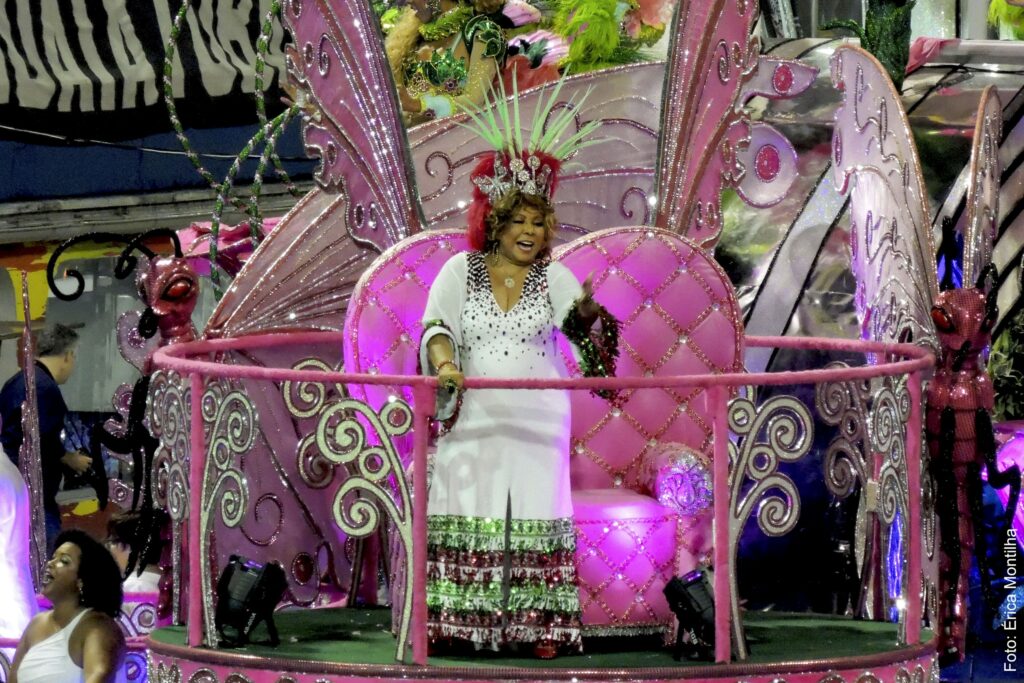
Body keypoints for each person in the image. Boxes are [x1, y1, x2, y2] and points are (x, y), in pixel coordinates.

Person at [418, 78, 617, 657]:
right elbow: (435, 328)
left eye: (538, 222)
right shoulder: (459, 271)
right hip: (474, 415)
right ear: (495, 221)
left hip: (538, 418)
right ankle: (463, 625)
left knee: (534, 511)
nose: (529, 233)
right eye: (518, 221)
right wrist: (447, 367)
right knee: (472, 506)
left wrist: (587, 316)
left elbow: (583, 340)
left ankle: (540, 628)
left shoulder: (555, 276)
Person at [0, 323, 92, 553]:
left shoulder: (16, 382)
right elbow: (40, 440)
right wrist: (69, 458)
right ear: (67, 356)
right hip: (34, 495)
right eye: (74, 357)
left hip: (12, 487)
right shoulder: (45, 389)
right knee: (46, 560)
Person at [8, 529, 126, 683]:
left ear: (81, 581)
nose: (50, 563)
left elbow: (100, 676)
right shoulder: (36, 623)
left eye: (64, 561)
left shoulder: (98, 628)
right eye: (53, 557)